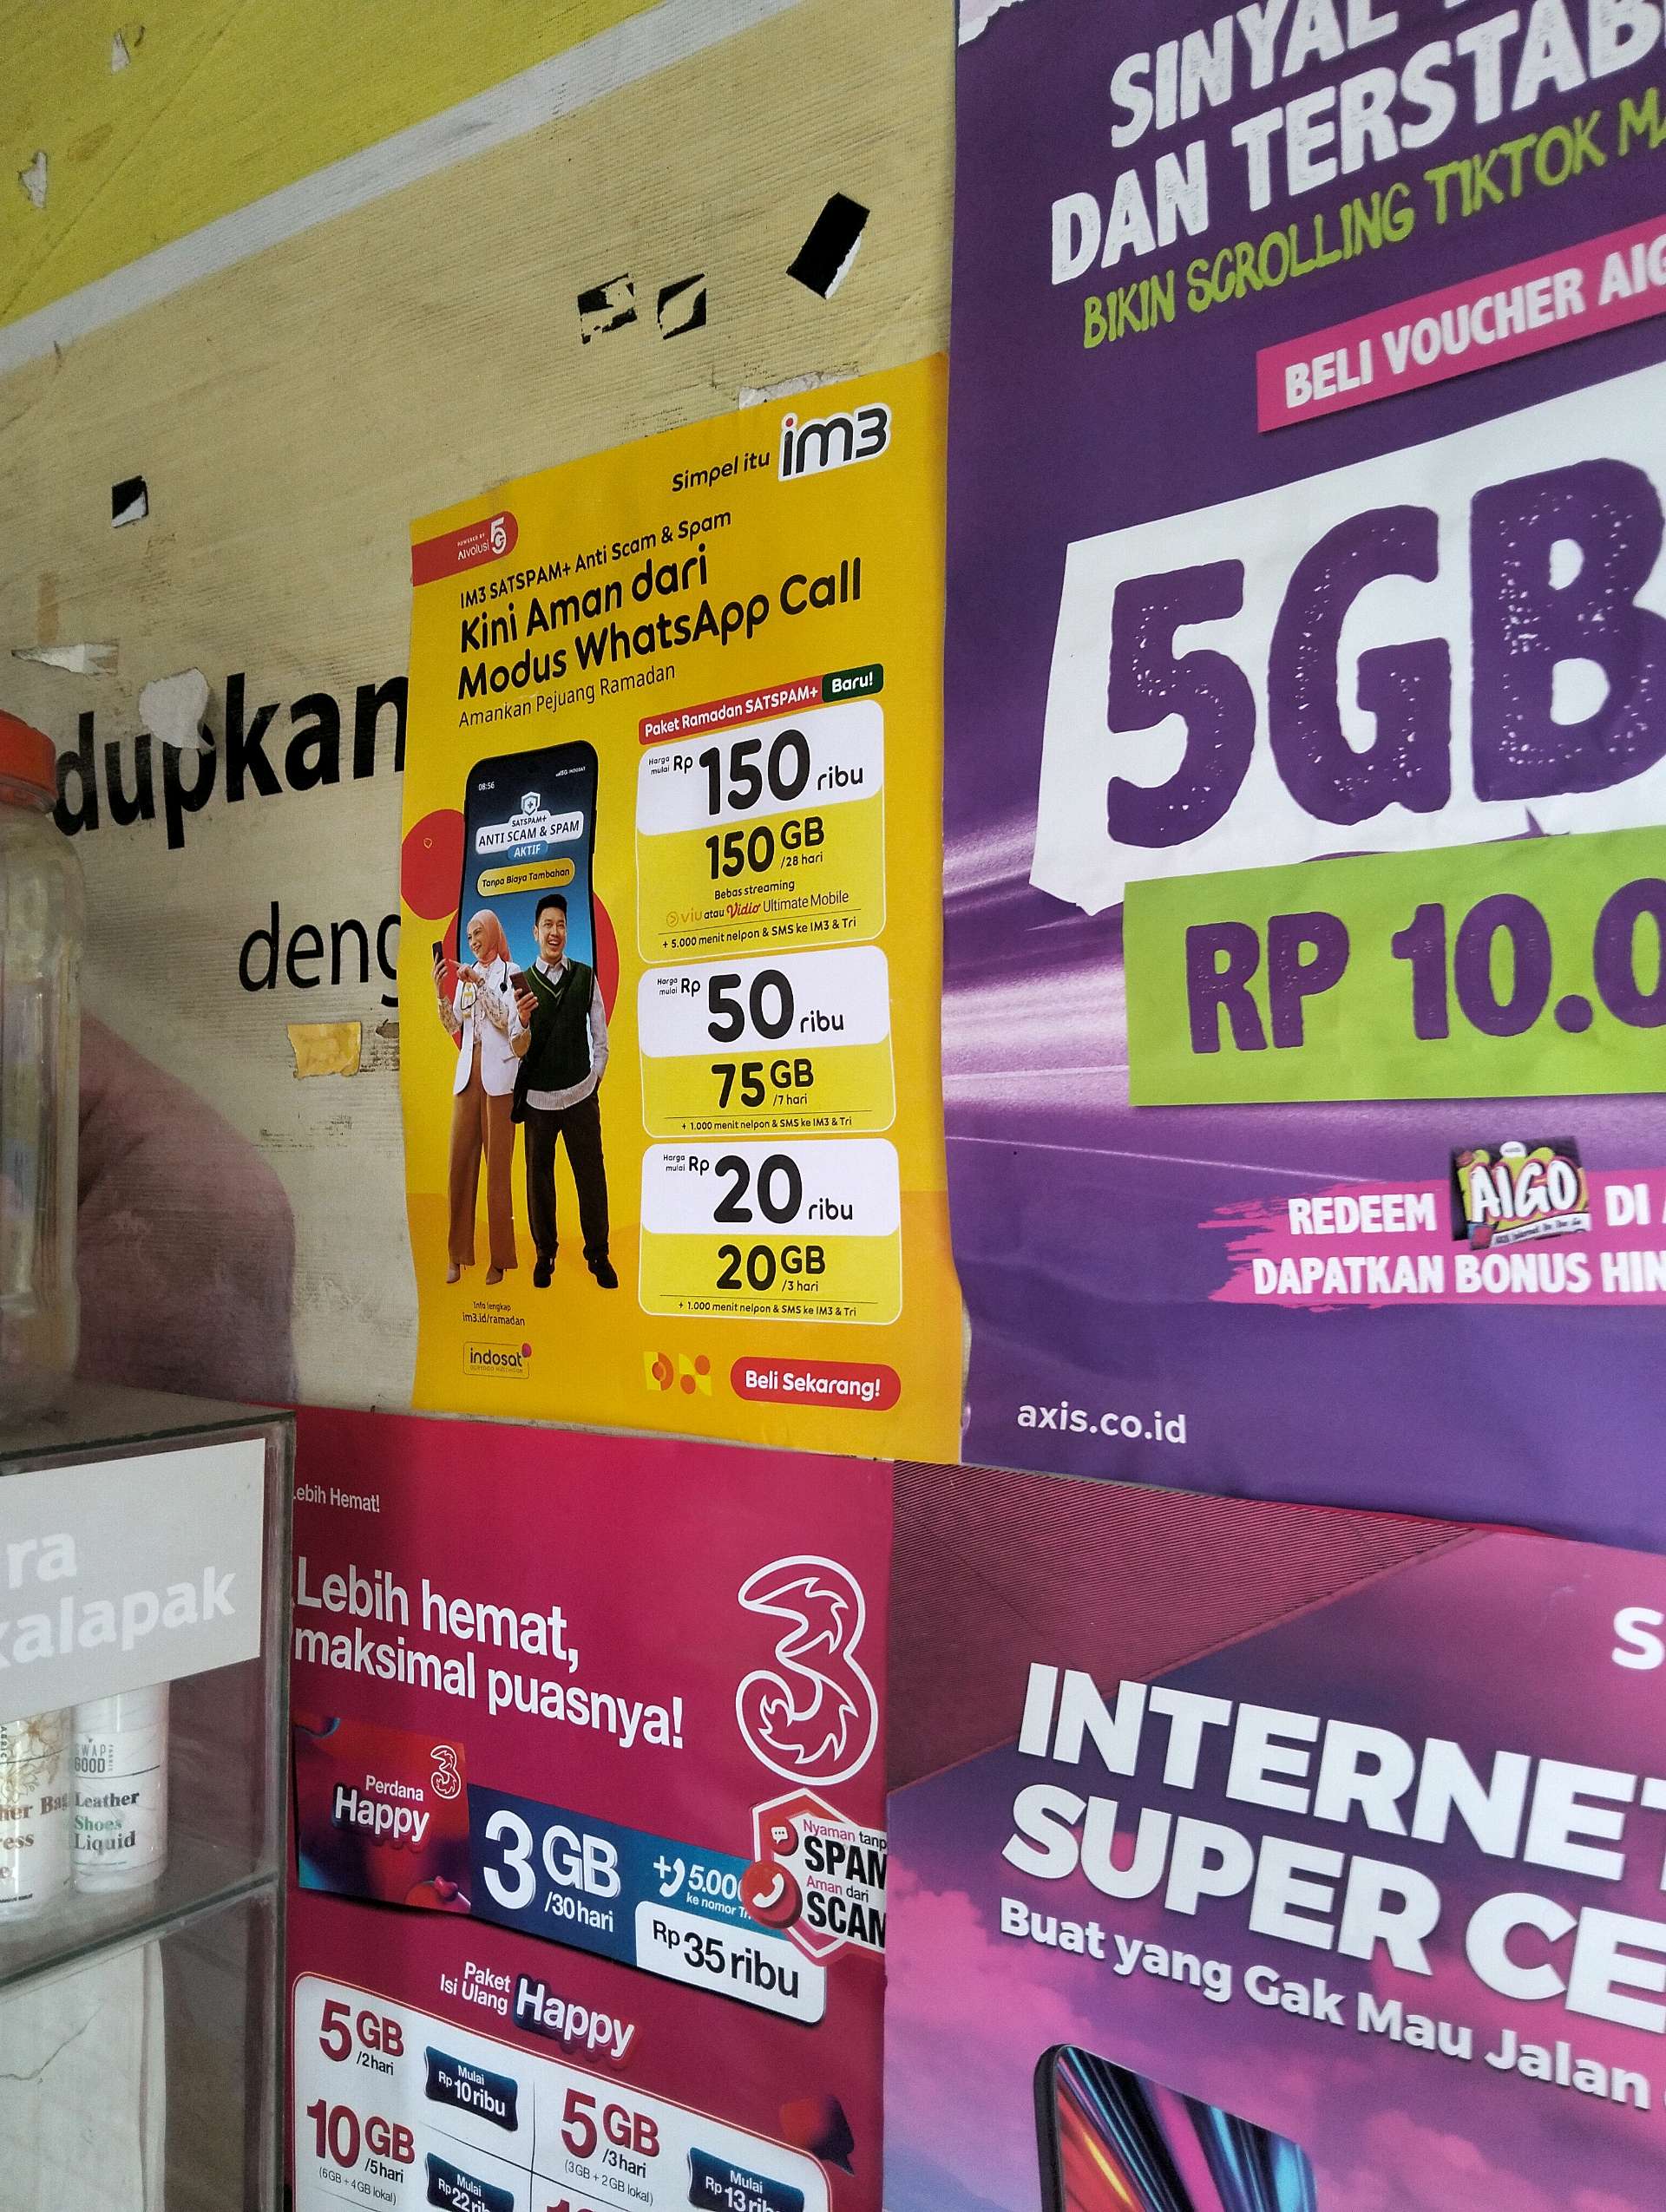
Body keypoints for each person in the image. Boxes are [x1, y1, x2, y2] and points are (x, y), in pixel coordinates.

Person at [511, 893, 615, 1289]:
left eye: (561, 925)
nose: (554, 932)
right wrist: (523, 1020)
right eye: (547, 925)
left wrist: (595, 1078)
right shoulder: (521, 984)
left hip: (581, 1097)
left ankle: (598, 1254)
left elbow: (600, 1036)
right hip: (538, 1101)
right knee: (539, 1181)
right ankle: (545, 1254)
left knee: (591, 1178)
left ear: (567, 932)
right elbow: (516, 1048)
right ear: (535, 932)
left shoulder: (585, 977)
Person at [436, 909, 526, 1286]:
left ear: (493, 933)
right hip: (468, 1072)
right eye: (469, 935)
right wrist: (441, 993)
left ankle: (500, 1259)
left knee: (498, 1172)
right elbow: (453, 1025)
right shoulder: (465, 976)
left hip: (500, 1077)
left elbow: (508, 1021)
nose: (473, 941)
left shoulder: (512, 972)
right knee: (459, 1165)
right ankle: (456, 1255)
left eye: (479, 933)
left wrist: (480, 984)